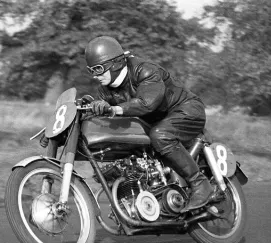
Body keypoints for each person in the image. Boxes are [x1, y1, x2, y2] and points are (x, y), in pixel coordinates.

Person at [85, 36, 213, 211]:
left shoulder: (144, 70)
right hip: (155, 121)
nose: (95, 75)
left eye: (99, 69)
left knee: (160, 135)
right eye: (91, 70)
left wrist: (115, 110)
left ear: (114, 63)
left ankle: (199, 183)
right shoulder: (105, 89)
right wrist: (91, 107)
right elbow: (104, 110)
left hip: (185, 110)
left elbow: (147, 103)